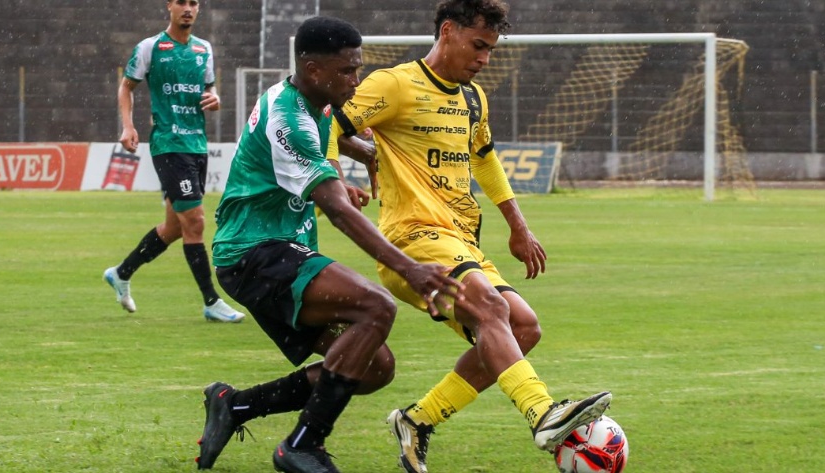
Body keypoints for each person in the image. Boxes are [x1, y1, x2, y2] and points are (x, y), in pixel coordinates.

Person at [330, 1, 612, 471]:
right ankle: (543, 413)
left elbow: (484, 159)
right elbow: (328, 124)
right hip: (412, 238)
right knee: (492, 307)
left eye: (491, 50)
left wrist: (518, 226)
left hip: (461, 240)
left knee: (523, 327)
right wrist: (338, 173)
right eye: (478, 46)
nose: (484, 59)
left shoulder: (474, 98)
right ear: (447, 31)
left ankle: (416, 420)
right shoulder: (393, 84)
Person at [194, 16, 463, 473]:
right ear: (313, 69)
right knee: (377, 307)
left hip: (278, 251)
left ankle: (235, 405)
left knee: (374, 366)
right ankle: (303, 444)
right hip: (253, 254)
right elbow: (338, 211)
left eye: (357, 69)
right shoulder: (290, 119)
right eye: (347, 71)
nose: (356, 80)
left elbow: (331, 136)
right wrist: (412, 269)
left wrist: (358, 153)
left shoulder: (314, 101)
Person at [103, 0, 244, 323]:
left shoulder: (203, 49)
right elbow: (127, 87)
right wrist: (128, 125)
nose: (188, 8)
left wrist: (215, 98)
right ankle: (211, 301)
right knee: (195, 221)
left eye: (194, 3)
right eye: (181, 2)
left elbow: (209, 89)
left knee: (175, 227)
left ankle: (121, 273)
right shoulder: (151, 47)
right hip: (168, 143)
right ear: (169, 6)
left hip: (196, 143)